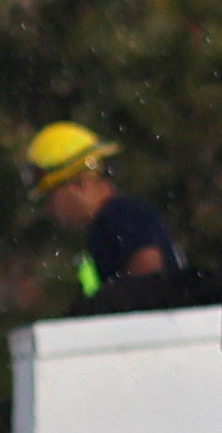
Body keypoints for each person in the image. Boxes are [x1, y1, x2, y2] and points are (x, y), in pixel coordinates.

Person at [26, 122, 180, 305]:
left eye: (50, 196)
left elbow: (149, 274)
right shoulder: (113, 221)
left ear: (78, 185)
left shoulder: (117, 216)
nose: (48, 209)